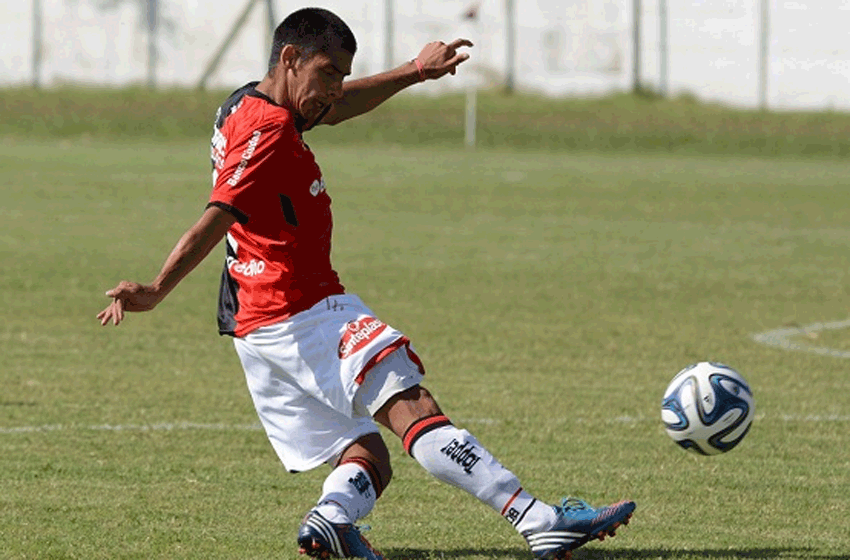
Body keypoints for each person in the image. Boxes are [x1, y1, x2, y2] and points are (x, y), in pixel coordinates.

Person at [97, 8, 635, 560]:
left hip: (254, 322)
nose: (335, 90)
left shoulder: (249, 102)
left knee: (365, 454)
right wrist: (157, 288)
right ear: (290, 59)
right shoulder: (269, 127)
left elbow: (334, 111)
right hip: (298, 306)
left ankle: (330, 521)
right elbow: (218, 214)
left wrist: (415, 72)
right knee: (413, 407)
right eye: (329, 74)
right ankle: (538, 519)